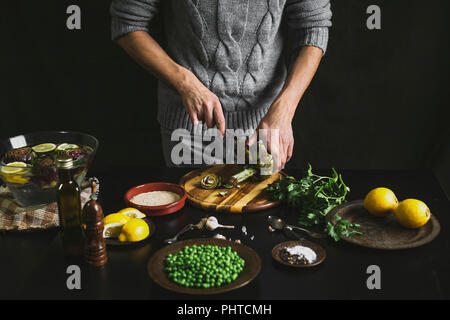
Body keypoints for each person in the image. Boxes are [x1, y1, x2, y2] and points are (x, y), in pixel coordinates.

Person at [110, 0, 332, 171]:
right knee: (194, 226)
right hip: (189, 129)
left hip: (266, 130)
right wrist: (185, 82)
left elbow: (314, 27)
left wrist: (284, 109)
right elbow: (128, 23)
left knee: (261, 225)